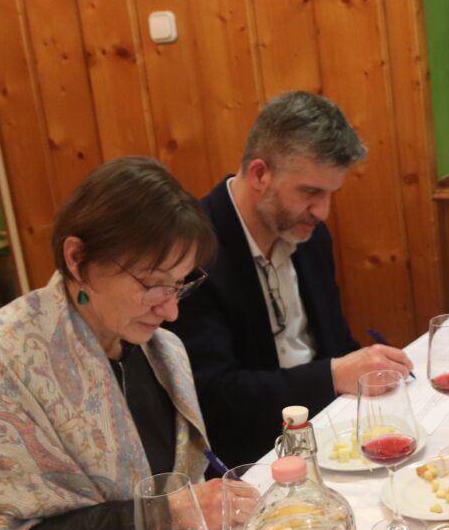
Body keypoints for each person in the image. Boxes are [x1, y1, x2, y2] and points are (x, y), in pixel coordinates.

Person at [0, 157, 252, 530]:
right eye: (152, 284)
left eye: (179, 285)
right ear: (77, 260)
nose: (171, 310)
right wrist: (168, 512)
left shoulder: (163, 354)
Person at [169, 91, 412, 469]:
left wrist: (366, 366)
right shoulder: (193, 253)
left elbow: (334, 343)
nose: (323, 211)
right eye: (311, 192)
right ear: (260, 174)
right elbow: (217, 396)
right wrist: (333, 375)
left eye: (330, 194)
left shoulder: (309, 235)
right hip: (253, 458)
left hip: (329, 429)